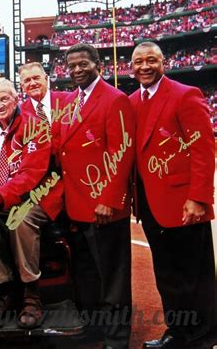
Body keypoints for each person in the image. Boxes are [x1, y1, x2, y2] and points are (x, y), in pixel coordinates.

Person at [130, 41, 215, 348]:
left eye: (151, 60)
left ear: (163, 63)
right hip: (152, 205)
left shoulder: (184, 94)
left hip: (184, 203)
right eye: (139, 61)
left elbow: (203, 149)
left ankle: (203, 337)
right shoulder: (132, 101)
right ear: (132, 66)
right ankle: (177, 332)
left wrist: (199, 198)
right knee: (166, 274)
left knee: (194, 274)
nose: (145, 66)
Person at [58, 43, 135, 349]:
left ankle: (117, 338)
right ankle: (94, 329)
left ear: (97, 64)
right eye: (72, 65)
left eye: (83, 64)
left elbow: (122, 152)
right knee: (87, 274)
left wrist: (111, 198)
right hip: (76, 205)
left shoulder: (115, 99)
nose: (77, 70)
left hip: (104, 205)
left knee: (113, 276)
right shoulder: (71, 101)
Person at [0, 78, 51, 329]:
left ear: (16, 99)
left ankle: (31, 294)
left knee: (20, 220)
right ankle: (7, 288)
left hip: (33, 196)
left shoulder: (35, 126)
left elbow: (31, 173)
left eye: (4, 98)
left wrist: (2, 194)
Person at [18, 62, 67, 225]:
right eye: (27, 80)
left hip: (75, 179)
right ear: (22, 85)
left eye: (36, 78)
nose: (32, 83)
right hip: (44, 185)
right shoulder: (18, 114)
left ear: (46, 79)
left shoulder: (68, 101)